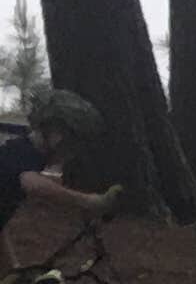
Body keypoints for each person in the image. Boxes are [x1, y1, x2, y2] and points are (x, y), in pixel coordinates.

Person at [0, 91, 121, 273]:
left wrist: (11, 268)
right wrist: (88, 201)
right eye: (74, 142)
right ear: (56, 134)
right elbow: (32, 183)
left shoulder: (22, 156)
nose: (73, 153)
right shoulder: (22, 153)